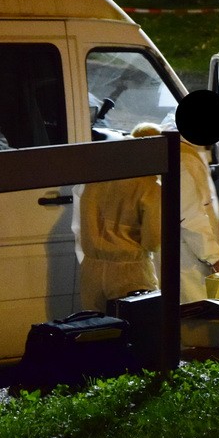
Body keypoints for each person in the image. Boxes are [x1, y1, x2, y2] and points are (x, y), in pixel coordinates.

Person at [76, 122, 163, 312]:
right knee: (138, 333)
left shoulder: (96, 178)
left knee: (97, 334)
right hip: (130, 273)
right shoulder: (150, 185)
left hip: (91, 271)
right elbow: (152, 242)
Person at [172, 126, 219, 303]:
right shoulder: (184, 160)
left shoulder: (184, 153)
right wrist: (215, 258)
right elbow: (191, 217)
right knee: (194, 319)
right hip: (188, 262)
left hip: (189, 258)